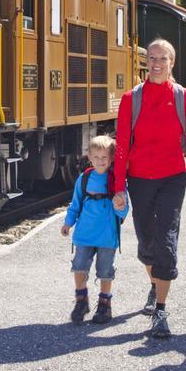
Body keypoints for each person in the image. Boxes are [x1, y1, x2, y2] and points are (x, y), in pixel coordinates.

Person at [113, 38, 186, 339]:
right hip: (139, 180)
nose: (155, 63)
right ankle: (154, 285)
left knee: (167, 241)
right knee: (147, 242)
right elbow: (121, 148)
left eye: (162, 58)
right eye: (151, 58)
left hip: (172, 179)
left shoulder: (185, 97)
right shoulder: (131, 98)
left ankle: (161, 311)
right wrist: (118, 188)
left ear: (172, 63)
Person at [60, 135, 130, 325]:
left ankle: (104, 304)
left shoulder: (117, 181)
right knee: (79, 265)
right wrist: (68, 223)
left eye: (104, 157)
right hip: (84, 233)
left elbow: (124, 211)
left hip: (107, 234)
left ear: (112, 158)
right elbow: (75, 204)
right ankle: (81, 300)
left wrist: (119, 205)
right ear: (89, 157)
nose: (100, 161)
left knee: (105, 271)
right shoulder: (84, 179)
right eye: (96, 157)